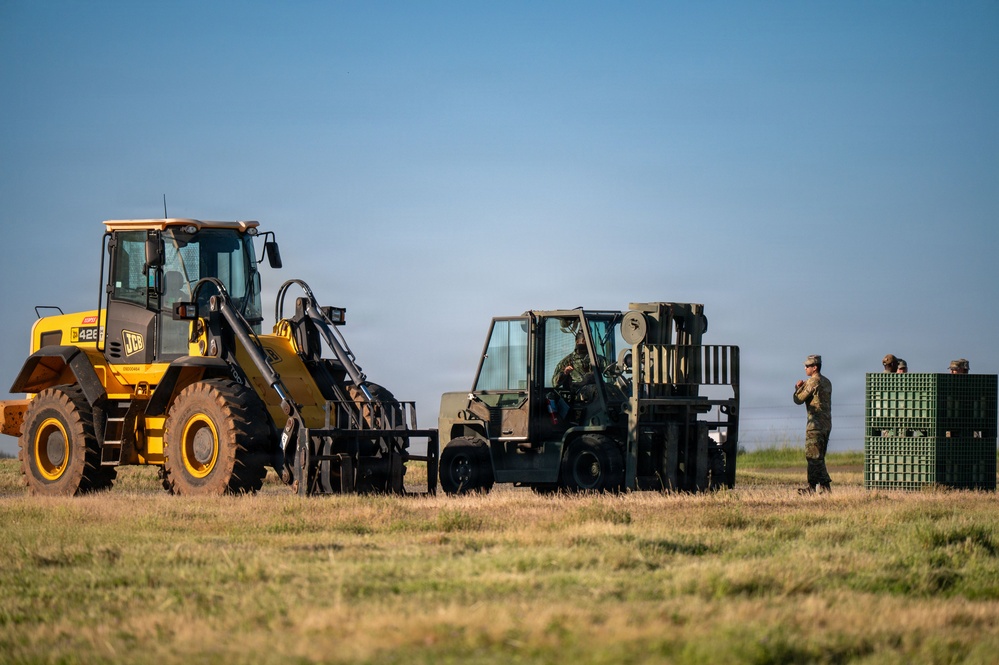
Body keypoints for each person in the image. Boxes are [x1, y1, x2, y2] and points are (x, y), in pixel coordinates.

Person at [793, 354, 833, 494]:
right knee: (818, 456)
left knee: (812, 456)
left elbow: (798, 399)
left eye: (807, 366)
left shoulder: (812, 382)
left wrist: (798, 388)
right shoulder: (827, 382)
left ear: (814, 367)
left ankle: (823, 485)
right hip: (826, 424)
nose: (805, 368)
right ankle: (815, 487)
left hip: (815, 425)